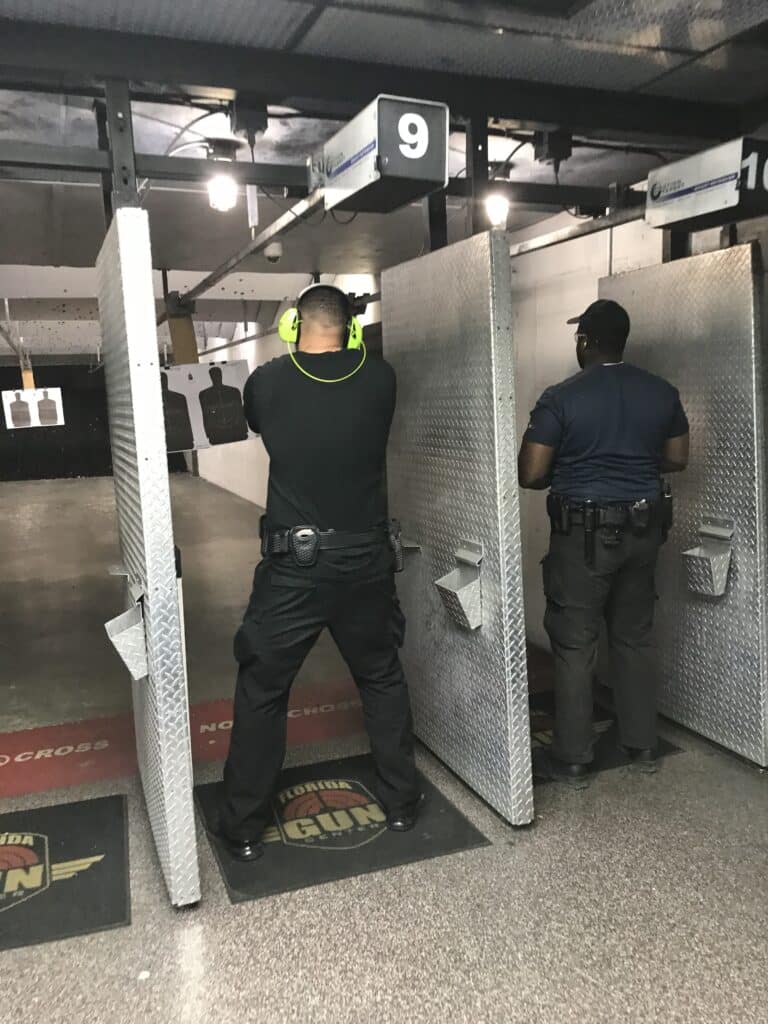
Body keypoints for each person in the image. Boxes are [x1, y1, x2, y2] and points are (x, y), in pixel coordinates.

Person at [216, 284, 421, 861]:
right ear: (351, 328)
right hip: (366, 563)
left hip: (294, 569)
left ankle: (245, 827)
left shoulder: (268, 383)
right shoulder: (382, 379)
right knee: (381, 676)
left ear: (292, 326)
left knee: (263, 687)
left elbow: (258, 419)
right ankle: (402, 803)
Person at [517, 299, 689, 788]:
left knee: (576, 642)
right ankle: (642, 747)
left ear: (585, 342)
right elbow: (677, 457)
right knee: (634, 637)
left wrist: (579, 463)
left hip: (584, 536)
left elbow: (530, 472)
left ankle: (573, 758)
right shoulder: (660, 392)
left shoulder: (562, 397)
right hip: (644, 530)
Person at [198, 364, 248, 445]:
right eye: (214, 375)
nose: (216, 377)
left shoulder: (234, 391)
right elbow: (206, 416)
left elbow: (240, 412)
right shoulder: (204, 395)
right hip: (217, 435)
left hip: (236, 432)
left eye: (218, 374)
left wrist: (243, 429)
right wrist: (209, 433)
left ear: (221, 375)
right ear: (210, 377)